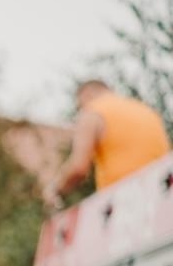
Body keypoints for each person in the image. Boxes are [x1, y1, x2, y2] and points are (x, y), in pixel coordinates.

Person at [43, 79, 171, 209]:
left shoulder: (92, 112)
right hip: (164, 194)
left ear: (87, 95)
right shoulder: (146, 110)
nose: (80, 109)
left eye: (79, 105)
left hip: (126, 200)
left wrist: (55, 189)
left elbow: (79, 168)